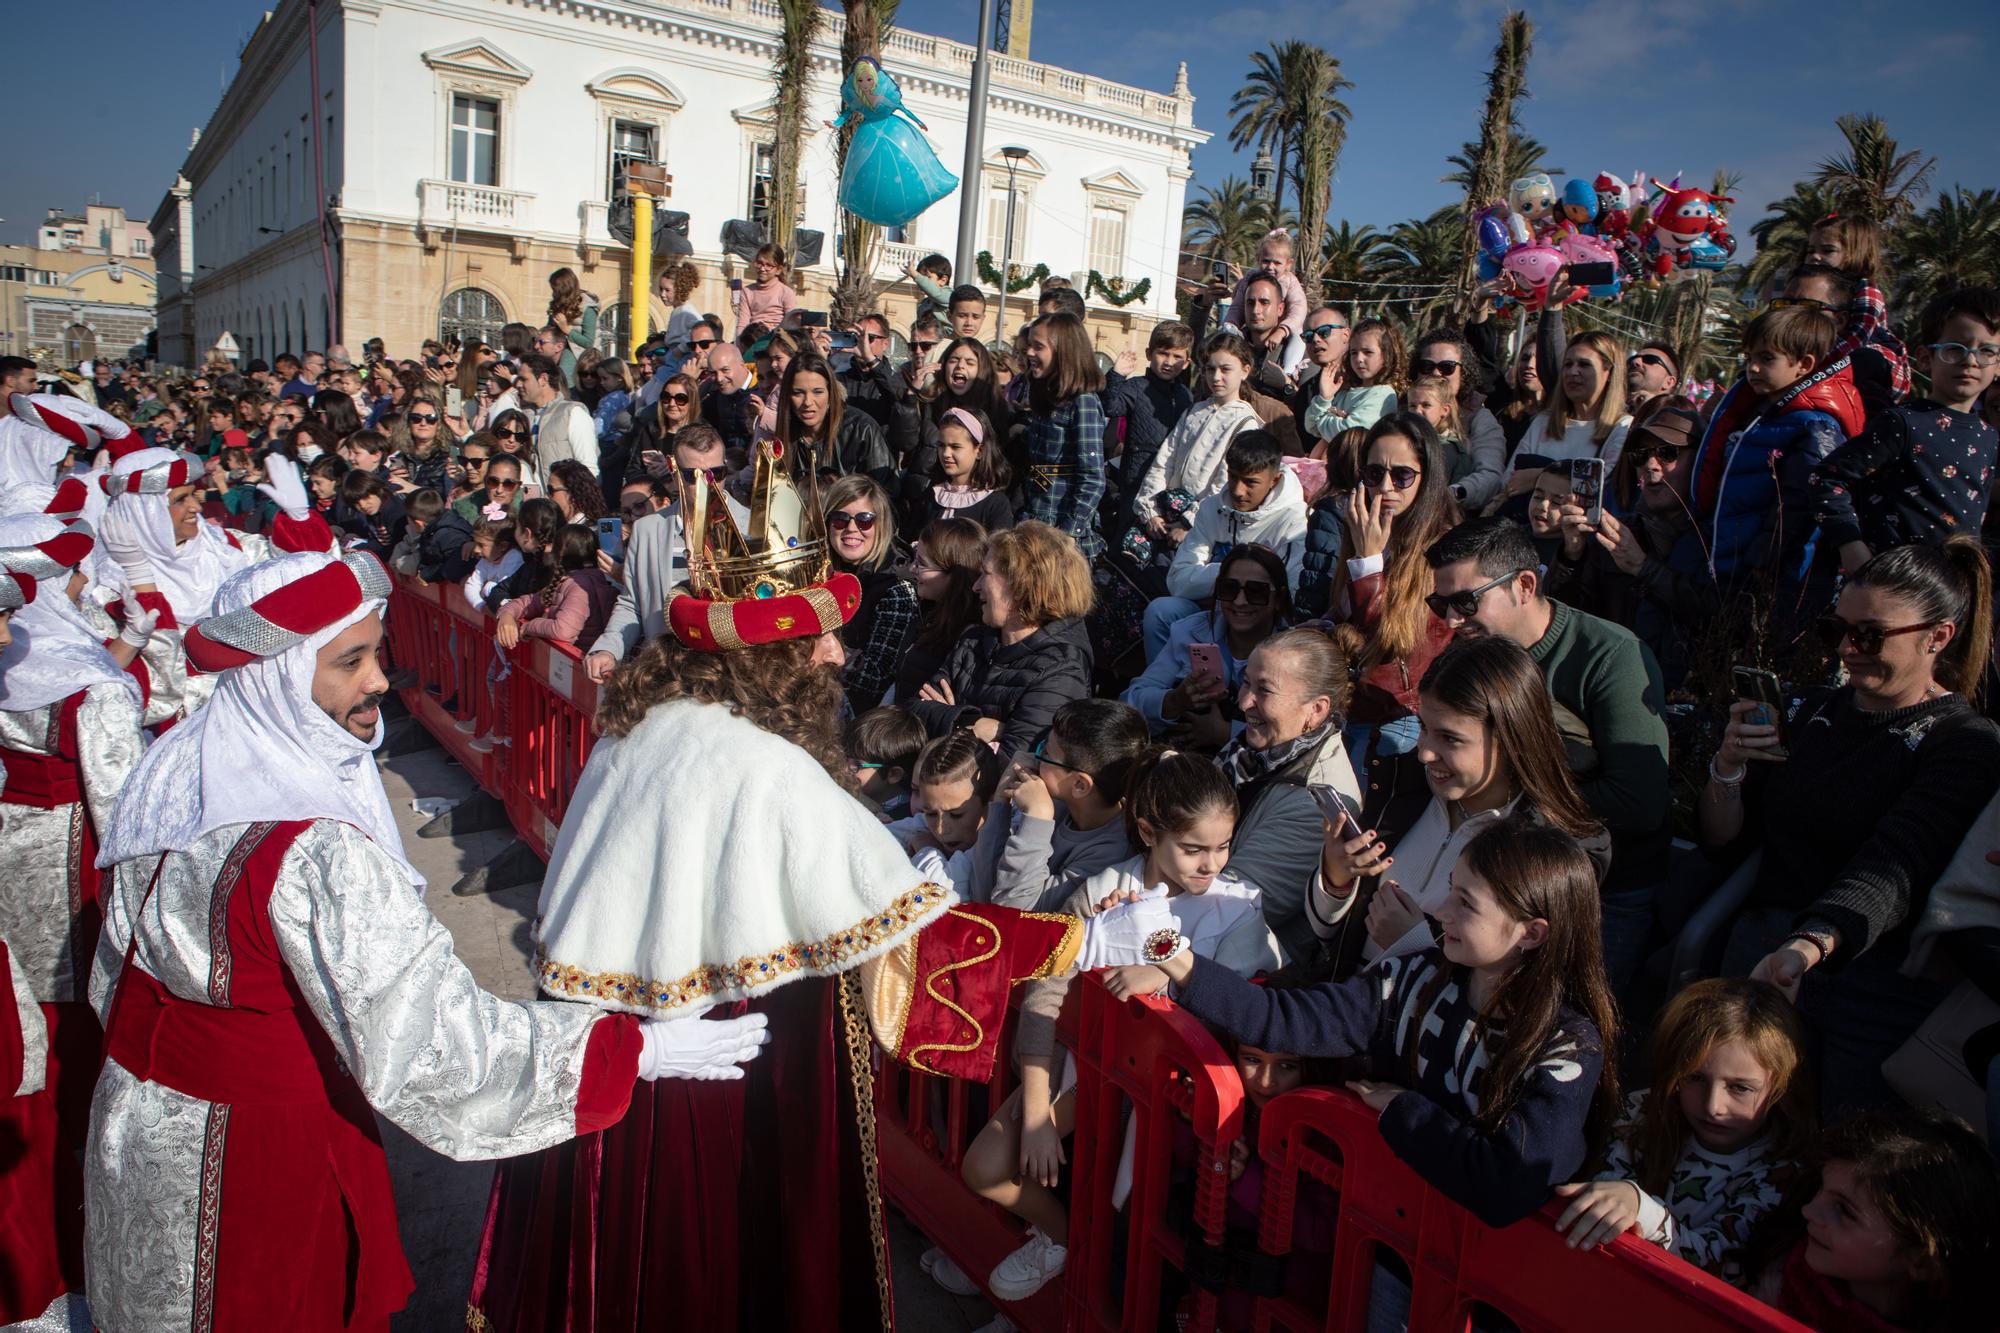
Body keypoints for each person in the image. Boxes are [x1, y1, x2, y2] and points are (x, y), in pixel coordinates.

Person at [469, 432, 1084, 1331]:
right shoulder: (767, 764)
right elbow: (907, 935)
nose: (834, 658)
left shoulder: (645, 725)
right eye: (816, 644)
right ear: (774, 660)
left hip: (605, 1053)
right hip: (722, 1066)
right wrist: (1077, 943)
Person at [84, 549, 766, 1331]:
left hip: (136, 1130)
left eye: (377, 650)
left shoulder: (170, 770)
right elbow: (436, 1042)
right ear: (276, 677)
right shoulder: (315, 847)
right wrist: (629, 1052)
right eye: (351, 661)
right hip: (257, 1164)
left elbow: (116, 970)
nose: (380, 679)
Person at [1108, 814, 1619, 1233]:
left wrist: (1403, 1111)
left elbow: (1508, 1182)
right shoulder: (1411, 979)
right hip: (1387, 1246)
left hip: (1480, 1285)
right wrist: (1167, 949)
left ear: (1531, 934)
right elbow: (1279, 1019)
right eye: (1450, 889)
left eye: (1465, 903)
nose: (1439, 910)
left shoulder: (1568, 1047)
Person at [960, 748, 1281, 1306]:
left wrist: (1168, 973)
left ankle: (1072, 1281)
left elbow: (1243, 1008)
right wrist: (1036, 1110)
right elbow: (1045, 992)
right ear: (1149, 831)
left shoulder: (1239, 906)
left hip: (1166, 1117)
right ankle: (1057, 1242)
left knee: (1124, 1252)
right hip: (1079, 1078)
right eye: (1194, 848)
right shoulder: (1102, 888)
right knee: (987, 1168)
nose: (1212, 864)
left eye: (1223, 846)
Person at [1705, 538, 2000, 1115]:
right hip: (1766, 948)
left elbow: (1897, 861)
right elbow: (1726, 840)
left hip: (1868, 977)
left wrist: (1809, 944)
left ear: (1936, 637)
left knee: (1836, 1137)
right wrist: (1729, 767)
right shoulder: (1810, 711)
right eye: (1833, 629)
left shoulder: (1963, 744)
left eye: (1868, 635)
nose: (1845, 649)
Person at [0, 509, 148, 1328]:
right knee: (71, 1082)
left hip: (13, 905)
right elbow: (125, 819)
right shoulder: (86, 688)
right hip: (70, 915)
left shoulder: (16, 671)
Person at [1425, 517, 1671, 986]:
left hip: (1604, 890)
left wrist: (1514, 789)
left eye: (1466, 601)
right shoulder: (1465, 655)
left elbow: (1639, 805)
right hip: (1488, 880)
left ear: (1524, 585)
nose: (1452, 621)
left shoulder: (1610, 657)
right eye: (1441, 604)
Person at [1309, 637, 1609, 980]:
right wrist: (1336, 879)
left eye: (1450, 738)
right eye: (1423, 728)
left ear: (1510, 740)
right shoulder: (1399, 788)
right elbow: (1327, 934)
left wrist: (1412, 946)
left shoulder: (1550, 849)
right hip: (1344, 1007)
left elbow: (1527, 991)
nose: (1425, 753)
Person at [1556, 978, 1812, 1286]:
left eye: (1740, 1087)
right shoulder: (1644, 1112)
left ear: (1781, 1088)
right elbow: (1602, 1191)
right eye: (1695, 1078)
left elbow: (1720, 1266)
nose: (1714, 1105)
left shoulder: (1780, 1172)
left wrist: (1642, 1209)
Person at [98, 445, 335, 726]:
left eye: (194, 495)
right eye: (180, 500)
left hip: (265, 703)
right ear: (146, 511)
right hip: (195, 725)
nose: (196, 507)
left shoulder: (223, 547)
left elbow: (298, 574)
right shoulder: (113, 588)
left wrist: (300, 520)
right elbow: (129, 685)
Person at [1751, 1110, 1999, 1333]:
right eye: (1820, 1189)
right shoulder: (1779, 1277)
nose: (1809, 1210)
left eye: (1844, 1210)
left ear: (1922, 1261)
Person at [1812, 288, 2000, 575]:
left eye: (1985, 351)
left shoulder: (1989, 436)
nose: (1970, 361)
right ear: (1925, 358)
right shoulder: (1902, 423)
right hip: (1892, 584)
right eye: (1955, 349)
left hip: (1951, 589)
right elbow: (1825, 478)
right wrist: (1850, 545)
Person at [1688, 304, 1863, 597]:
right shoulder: (1758, 413)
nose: (1753, 368)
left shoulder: (1815, 426)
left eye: (1767, 358)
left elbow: (1795, 509)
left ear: (1804, 364)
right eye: (1749, 358)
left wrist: (1762, 564)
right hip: (1726, 563)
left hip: (1763, 580)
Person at [1214, 627, 1362, 963]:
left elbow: (1231, 906)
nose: (1244, 701)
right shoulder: (1250, 752)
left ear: (1317, 710)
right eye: (1247, 682)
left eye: (1264, 690)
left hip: (1241, 964)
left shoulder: (1316, 802)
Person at [1545, 398, 1714, 687]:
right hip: (1616, 687)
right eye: (1640, 455)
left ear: (1701, 461)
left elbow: (1714, 617)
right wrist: (1572, 556)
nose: (1650, 465)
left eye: (1667, 453)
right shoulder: (1619, 536)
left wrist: (1645, 568)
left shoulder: (1717, 538)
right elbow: (1568, 622)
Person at [1321, 414, 1457, 761]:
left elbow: (1396, 641)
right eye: (1374, 473)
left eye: (1402, 475)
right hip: (1351, 702)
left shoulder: (1443, 548)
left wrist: (1368, 563)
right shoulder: (1366, 529)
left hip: (1401, 714)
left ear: (1426, 479)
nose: (1386, 487)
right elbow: (1344, 613)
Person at [912, 521, 1095, 754]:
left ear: (1022, 585)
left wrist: (949, 721)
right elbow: (916, 711)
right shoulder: (974, 639)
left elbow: (1015, 764)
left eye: (986, 574)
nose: (976, 587)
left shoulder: (1060, 671)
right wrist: (969, 723)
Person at [585, 424, 750, 681]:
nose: (707, 484)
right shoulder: (647, 530)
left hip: (732, 679)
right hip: (667, 677)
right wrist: (608, 648)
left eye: (716, 473)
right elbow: (633, 604)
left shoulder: (752, 528)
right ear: (674, 471)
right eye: (693, 475)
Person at [968, 696, 1147, 912]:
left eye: (1045, 753)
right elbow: (982, 891)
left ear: (1080, 785)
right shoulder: (1060, 801)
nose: (1034, 757)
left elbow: (1012, 913)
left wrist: (1038, 818)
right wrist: (1000, 800)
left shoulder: (1110, 854)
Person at [1142, 431, 1308, 659]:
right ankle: (1168, 685)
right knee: (1161, 611)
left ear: (1275, 480)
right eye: (1233, 477)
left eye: (1251, 482)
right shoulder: (1212, 508)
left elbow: (1287, 597)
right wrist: (1238, 576)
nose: (1238, 491)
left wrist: (1217, 584)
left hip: (1261, 627)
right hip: (1213, 615)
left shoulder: (1295, 521)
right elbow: (1178, 581)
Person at [1125, 543, 1292, 741]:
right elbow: (1131, 702)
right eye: (1229, 589)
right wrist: (1175, 700)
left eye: (1256, 591)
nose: (1240, 601)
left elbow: (1298, 729)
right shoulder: (1189, 632)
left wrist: (1227, 733)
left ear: (1279, 599)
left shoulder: (1293, 653)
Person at [1132, 332, 1264, 525]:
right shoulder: (1194, 411)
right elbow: (1165, 459)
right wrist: (1151, 510)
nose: (1216, 377)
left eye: (1225, 369)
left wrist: (1189, 521)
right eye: (1210, 369)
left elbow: (1225, 482)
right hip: (1165, 513)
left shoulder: (1246, 423)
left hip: (1203, 523)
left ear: (1245, 370)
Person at [1500, 329, 1631, 500]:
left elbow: (1601, 484)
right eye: (1568, 364)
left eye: (1584, 364)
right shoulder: (1543, 422)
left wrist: (1538, 476)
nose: (1572, 372)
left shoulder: (1622, 428)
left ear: (1610, 372)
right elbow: (1510, 481)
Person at [1017, 313, 1108, 556]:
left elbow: (1093, 478)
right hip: (1035, 517)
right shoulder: (1045, 395)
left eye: (1039, 347)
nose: (1029, 353)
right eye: (1029, 346)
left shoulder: (1084, 402)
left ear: (1064, 351)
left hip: (1062, 525)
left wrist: (1070, 532)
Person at [825, 474, 917, 712]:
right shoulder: (820, 573)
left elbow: (873, 679)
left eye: (865, 520)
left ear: (881, 524)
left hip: (858, 713)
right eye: (840, 519)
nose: (851, 528)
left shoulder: (896, 587)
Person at [1100, 321, 1195, 530]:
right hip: (1136, 477)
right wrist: (1116, 375)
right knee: (1129, 534)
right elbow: (1110, 407)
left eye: (1177, 356)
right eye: (1163, 353)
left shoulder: (1185, 396)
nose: (1169, 362)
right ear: (1149, 353)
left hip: (1171, 481)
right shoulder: (1136, 387)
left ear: (1187, 362)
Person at [891, 517, 986, 705]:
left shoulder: (970, 637)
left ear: (955, 575)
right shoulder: (928, 612)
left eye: (921, 563)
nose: (912, 568)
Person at [773, 350, 895, 490]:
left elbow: (886, 492)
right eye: (798, 393)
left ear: (830, 393)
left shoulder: (861, 429)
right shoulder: (785, 433)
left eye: (817, 392)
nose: (807, 402)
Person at [496, 523, 616, 651]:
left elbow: (563, 631)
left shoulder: (580, 586)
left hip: (579, 664)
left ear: (559, 554)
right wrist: (506, 615)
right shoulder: (567, 582)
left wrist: (529, 626)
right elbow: (528, 602)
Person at [917, 404, 1012, 533]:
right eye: (941, 445)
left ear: (979, 451)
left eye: (955, 447)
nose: (946, 453)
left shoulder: (995, 504)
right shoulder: (932, 495)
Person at [1304, 316, 1402, 438]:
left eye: (1368, 352)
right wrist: (1325, 398)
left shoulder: (1382, 394)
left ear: (1386, 355)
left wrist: (1325, 418)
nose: (1359, 359)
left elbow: (1349, 433)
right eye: (1354, 353)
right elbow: (1310, 425)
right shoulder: (1346, 391)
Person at [516, 352, 597, 485]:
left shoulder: (573, 413)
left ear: (543, 379)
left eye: (523, 379)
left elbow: (588, 468)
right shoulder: (524, 417)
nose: (518, 384)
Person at [846, 703, 927, 820]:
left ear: (894, 774)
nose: (845, 768)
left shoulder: (901, 823)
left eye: (857, 765)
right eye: (845, 757)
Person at [727, 245, 798, 339]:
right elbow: (742, 324)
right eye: (759, 263)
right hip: (752, 340)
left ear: (778, 270)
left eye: (768, 265)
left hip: (776, 340)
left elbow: (791, 324)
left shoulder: (786, 292)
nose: (762, 268)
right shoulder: (747, 292)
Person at [1625, 339, 1680, 412]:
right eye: (1631, 359)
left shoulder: (1674, 420)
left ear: (1669, 382)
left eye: (1649, 359)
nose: (1635, 362)